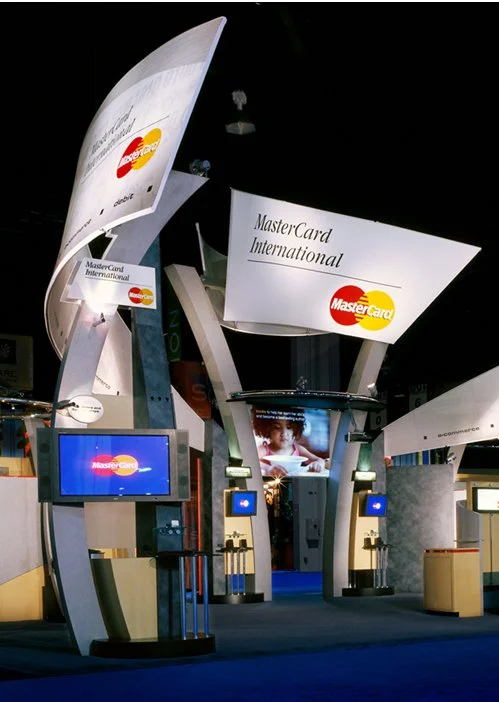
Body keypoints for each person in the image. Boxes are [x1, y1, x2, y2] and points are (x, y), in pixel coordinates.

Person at [251, 406, 327, 477]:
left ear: (295, 428)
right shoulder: (264, 450)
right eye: (277, 427)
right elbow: (251, 462)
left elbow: (319, 460)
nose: (284, 433)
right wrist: (268, 468)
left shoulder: (298, 449)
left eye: (289, 427)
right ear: (267, 429)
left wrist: (317, 464)